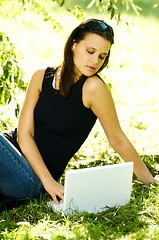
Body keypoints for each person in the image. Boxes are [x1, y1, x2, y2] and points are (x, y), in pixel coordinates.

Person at [0, 19, 158, 211]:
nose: (95, 61)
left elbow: (118, 139)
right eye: (90, 52)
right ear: (73, 44)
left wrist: (149, 180)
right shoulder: (41, 77)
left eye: (102, 56)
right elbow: (24, 135)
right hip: (9, 154)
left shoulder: (93, 88)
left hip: (30, 179)